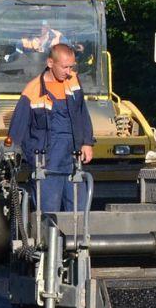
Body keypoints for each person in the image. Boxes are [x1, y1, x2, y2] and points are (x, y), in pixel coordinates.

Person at [8, 42, 95, 215]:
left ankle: (76, 242)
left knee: (79, 213)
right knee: (48, 217)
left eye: (71, 67)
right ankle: (48, 242)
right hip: (47, 166)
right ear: (50, 63)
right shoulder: (32, 91)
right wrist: (16, 157)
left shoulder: (73, 82)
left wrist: (87, 142)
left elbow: (82, 113)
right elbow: (17, 129)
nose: (68, 72)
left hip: (73, 163)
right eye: (64, 67)